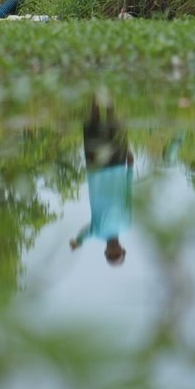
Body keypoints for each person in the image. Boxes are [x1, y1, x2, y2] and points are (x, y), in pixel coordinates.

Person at [70, 97, 134, 266]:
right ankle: (111, 95)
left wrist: (78, 241)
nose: (113, 251)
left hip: (96, 170)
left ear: (105, 251)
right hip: (119, 168)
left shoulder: (97, 233)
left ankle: (95, 96)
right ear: (122, 249)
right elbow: (128, 197)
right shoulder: (126, 227)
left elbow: (84, 234)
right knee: (116, 128)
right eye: (117, 253)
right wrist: (131, 169)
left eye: (110, 254)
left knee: (93, 127)